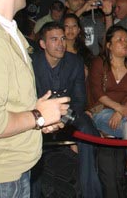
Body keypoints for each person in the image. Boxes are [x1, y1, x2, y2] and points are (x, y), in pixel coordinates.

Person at [0, 0, 68, 196]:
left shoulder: (8, 30)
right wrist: (38, 116)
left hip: (17, 162)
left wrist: (38, 116)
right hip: (2, 172)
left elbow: (6, 99)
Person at [31, 22, 102, 198]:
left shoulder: (74, 61)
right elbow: (28, 100)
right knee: (30, 136)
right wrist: (46, 118)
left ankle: (90, 193)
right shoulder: (31, 63)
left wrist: (62, 119)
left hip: (69, 114)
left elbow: (79, 100)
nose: (60, 43)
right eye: (54, 39)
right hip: (39, 116)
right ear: (43, 44)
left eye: (62, 38)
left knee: (88, 130)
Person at [87, 26, 127, 176]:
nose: (125, 43)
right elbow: (97, 92)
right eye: (119, 40)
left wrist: (121, 111)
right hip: (100, 108)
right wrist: (118, 108)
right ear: (109, 45)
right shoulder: (99, 63)